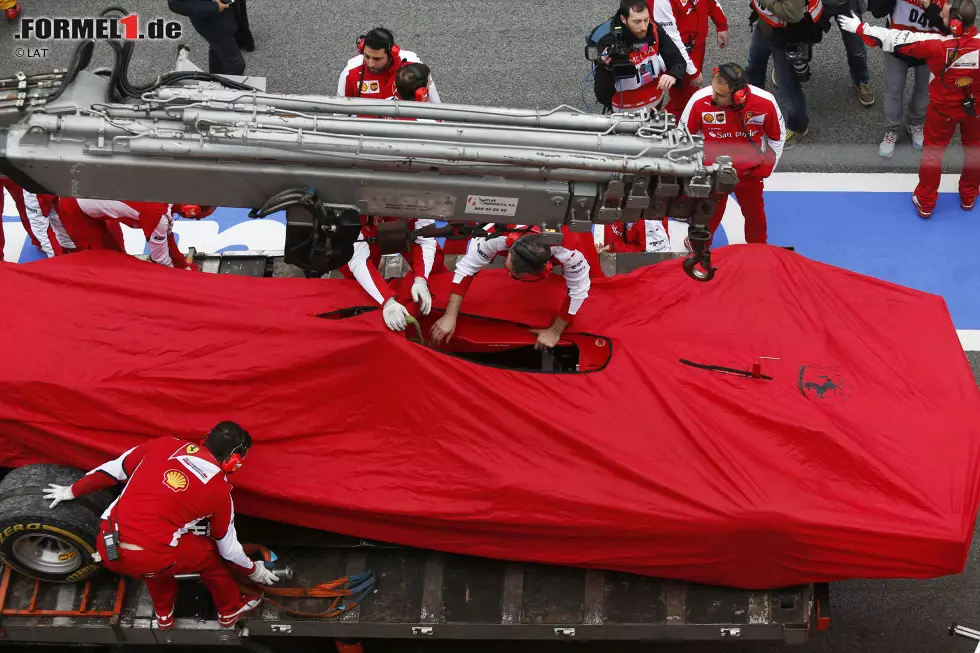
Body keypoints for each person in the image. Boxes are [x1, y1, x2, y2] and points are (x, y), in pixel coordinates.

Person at [42, 422, 277, 630]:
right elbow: (229, 550)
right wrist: (254, 570)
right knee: (207, 554)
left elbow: (113, 470)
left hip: (107, 546)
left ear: (205, 439)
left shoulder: (164, 445)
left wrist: (72, 490)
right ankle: (229, 610)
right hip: (152, 557)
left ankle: (164, 614)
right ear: (233, 462)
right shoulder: (220, 493)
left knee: (159, 550)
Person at [838, 0, 980, 217]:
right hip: (975, 112)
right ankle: (969, 196)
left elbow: (896, 39)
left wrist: (861, 28)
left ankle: (926, 202)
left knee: (933, 156)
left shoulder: (937, 45)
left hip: (943, 113)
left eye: (944, 14)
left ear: (955, 25)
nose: (939, 11)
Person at [429, 230, 592, 350]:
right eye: (508, 268)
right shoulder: (495, 237)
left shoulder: (571, 254)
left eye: (514, 276)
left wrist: (556, 331)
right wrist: (450, 315)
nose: (508, 275)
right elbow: (467, 267)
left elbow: (579, 290)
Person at [680, 63, 786, 244]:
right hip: (712, 175)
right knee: (708, 214)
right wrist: (697, 170)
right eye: (713, 90)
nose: (712, 97)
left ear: (739, 96)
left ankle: (759, 250)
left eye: (720, 95)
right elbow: (683, 139)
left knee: (755, 216)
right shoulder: (699, 101)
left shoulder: (765, 102)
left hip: (749, 174)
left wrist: (764, 168)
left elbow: (777, 137)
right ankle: (698, 246)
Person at [868, 0, 948, 157]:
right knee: (893, 90)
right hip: (897, 44)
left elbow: (949, 27)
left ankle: (915, 123)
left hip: (929, 47)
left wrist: (928, 6)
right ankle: (892, 130)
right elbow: (877, 11)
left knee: (924, 90)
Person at [746, 0, 826, 148]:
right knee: (754, 65)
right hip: (767, 25)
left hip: (790, 34)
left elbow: (793, 14)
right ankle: (754, 100)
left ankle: (798, 127)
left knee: (788, 87)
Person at [341, 217, 442, 332]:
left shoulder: (420, 201)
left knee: (435, 268)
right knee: (356, 287)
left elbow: (425, 239)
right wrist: (387, 301)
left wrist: (421, 279)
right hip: (361, 226)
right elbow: (358, 259)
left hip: (400, 223)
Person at [57, 198, 213, 268]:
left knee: (118, 253)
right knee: (106, 261)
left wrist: (183, 267)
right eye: (198, 217)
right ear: (191, 209)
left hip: (93, 200)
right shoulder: (159, 214)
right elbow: (161, 261)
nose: (198, 221)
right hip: (76, 211)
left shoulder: (168, 195)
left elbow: (167, 239)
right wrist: (184, 281)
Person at [594, 0, 688, 112]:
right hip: (623, 114)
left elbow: (678, 61)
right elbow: (601, 93)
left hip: (654, 107)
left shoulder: (655, 31)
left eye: (646, 20)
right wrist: (607, 66)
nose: (643, 27)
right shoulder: (608, 42)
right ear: (624, 19)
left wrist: (673, 75)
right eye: (637, 22)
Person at [658, 0, 731, 117]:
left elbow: (711, 2)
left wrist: (721, 25)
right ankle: (678, 124)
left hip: (697, 46)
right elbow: (671, 40)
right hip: (678, 54)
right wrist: (692, 72)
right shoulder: (661, 2)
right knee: (683, 99)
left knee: (689, 93)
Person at [338, 28, 441, 102]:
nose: (370, 63)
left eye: (377, 59)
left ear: (392, 53)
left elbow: (436, 108)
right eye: (367, 56)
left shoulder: (414, 67)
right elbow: (340, 116)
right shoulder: (350, 72)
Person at [168, 0, 246, 76]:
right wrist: (214, 7)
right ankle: (230, 85)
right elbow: (175, 3)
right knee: (236, 65)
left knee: (217, 53)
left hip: (229, 13)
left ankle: (216, 79)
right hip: (214, 23)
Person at [1, 178, 44, 259]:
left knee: (27, 204)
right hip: (12, 169)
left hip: (12, 169)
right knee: (26, 204)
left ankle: (40, 241)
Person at [23, 192, 76, 258]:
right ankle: (69, 246)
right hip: (56, 185)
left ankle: (57, 257)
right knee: (58, 214)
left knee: (40, 227)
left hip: (35, 189)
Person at [596, 220, 671, 252]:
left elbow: (651, 255)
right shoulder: (613, 202)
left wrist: (613, 247)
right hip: (614, 255)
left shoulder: (650, 221)